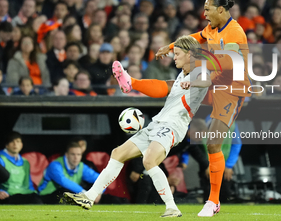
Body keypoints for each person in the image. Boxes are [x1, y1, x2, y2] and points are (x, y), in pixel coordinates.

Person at [63, 35, 211, 217]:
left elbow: (206, 81)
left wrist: (193, 82)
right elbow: (168, 86)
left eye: (178, 53)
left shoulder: (199, 71)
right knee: (118, 153)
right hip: (158, 123)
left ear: (190, 54)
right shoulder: (183, 74)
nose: (174, 57)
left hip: (174, 126)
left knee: (149, 161)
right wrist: (136, 81)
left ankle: (172, 208)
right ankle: (90, 196)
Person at [143, 0, 251, 216]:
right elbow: (196, 37)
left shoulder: (235, 32)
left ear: (221, 10)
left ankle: (213, 201)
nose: (204, 14)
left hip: (231, 89)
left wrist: (200, 77)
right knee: (176, 96)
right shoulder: (211, 29)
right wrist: (172, 46)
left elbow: (227, 63)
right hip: (213, 83)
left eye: (208, 10)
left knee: (213, 143)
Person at [0, 131, 42, 204]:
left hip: (24, 193)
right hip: (8, 195)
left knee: (37, 202)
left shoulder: (25, 162)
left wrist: (34, 193)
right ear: (6, 145)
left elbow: (28, 183)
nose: (15, 144)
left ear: (21, 145)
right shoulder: (1, 159)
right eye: (12, 141)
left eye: (18, 141)